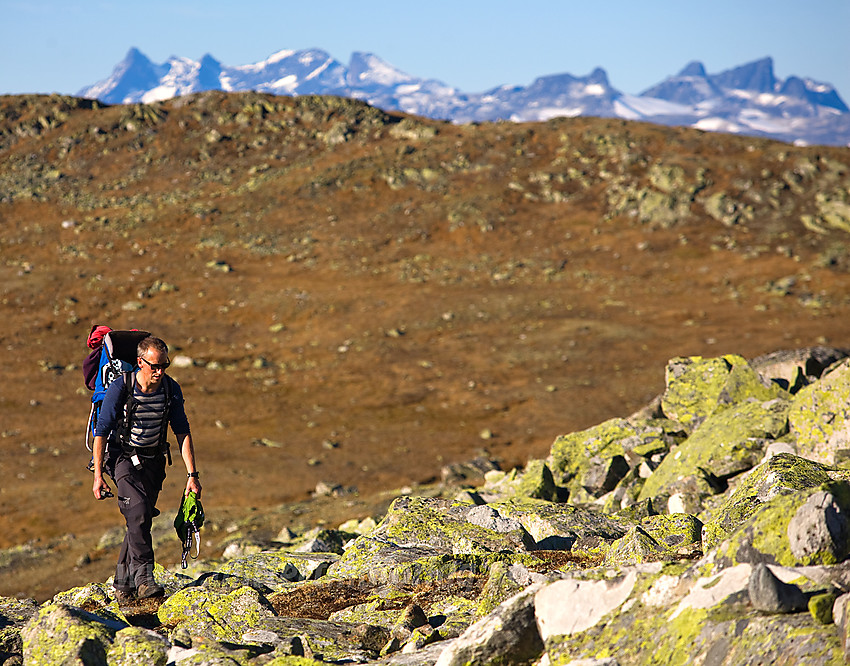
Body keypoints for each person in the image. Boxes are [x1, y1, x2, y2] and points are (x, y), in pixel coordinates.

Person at [91, 335, 201, 602]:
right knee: (139, 513)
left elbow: (182, 431)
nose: (160, 371)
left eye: (165, 365)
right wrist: (98, 476)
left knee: (138, 522)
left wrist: (192, 476)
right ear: (140, 362)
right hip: (123, 459)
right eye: (155, 366)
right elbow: (101, 431)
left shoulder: (170, 389)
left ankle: (122, 584)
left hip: (154, 463)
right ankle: (144, 579)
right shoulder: (121, 387)